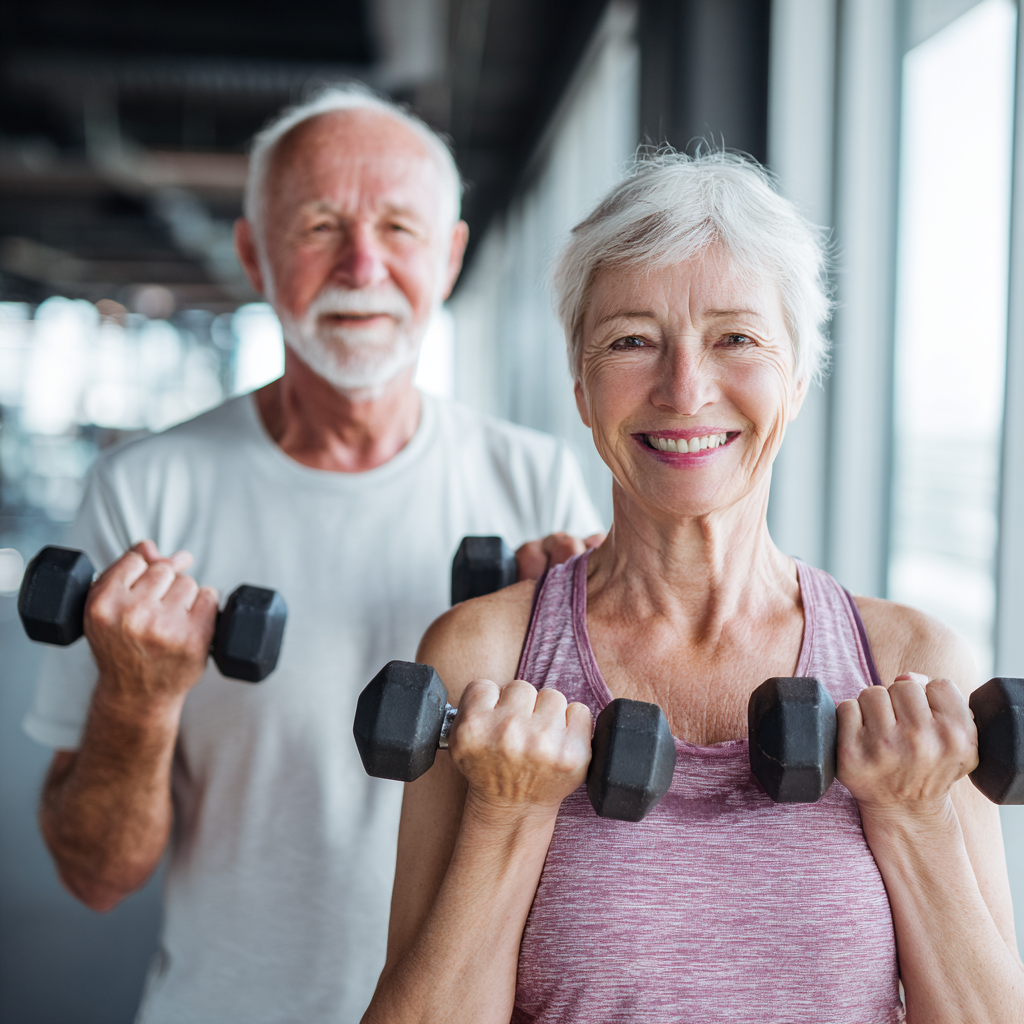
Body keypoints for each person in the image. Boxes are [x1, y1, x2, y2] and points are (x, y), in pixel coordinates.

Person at [363, 151, 1024, 1024]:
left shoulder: (910, 664)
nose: (684, 390)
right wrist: (508, 816)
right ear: (582, 385)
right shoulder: (486, 659)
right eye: (631, 340)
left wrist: (914, 819)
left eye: (736, 338)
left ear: (797, 375)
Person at [23, 86, 602, 1024]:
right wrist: (137, 696)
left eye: (400, 228)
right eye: (320, 225)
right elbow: (96, 876)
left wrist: (582, 658)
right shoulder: (145, 491)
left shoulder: (534, 481)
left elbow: (597, 830)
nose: (362, 264)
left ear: (450, 256)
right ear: (255, 251)